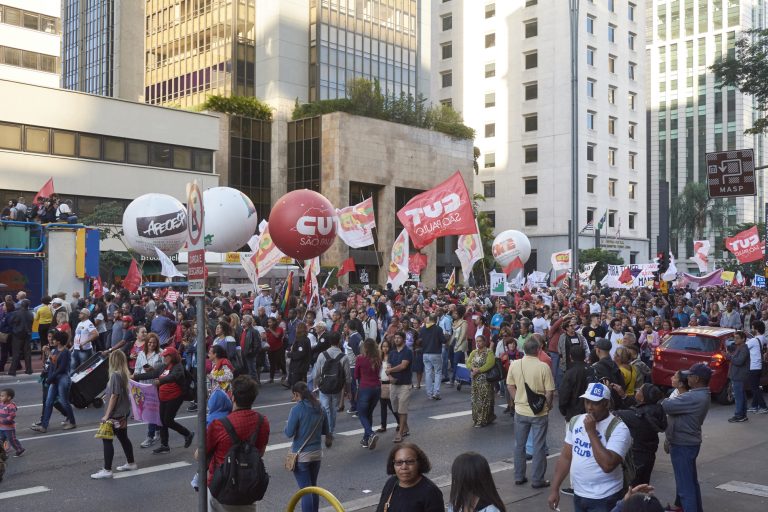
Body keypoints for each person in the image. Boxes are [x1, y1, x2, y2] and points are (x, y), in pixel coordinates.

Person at [548, 382, 633, 512]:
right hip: (579, 494)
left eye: (595, 403)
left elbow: (608, 465)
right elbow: (566, 457)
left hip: (606, 497)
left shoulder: (619, 429)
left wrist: (591, 432)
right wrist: (555, 489)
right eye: (587, 402)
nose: (590, 407)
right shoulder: (576, 421)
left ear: (607, 403)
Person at [205, 376, 270, 511]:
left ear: (233, 397)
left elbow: (202, 454)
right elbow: (260, 452)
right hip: (249, 487)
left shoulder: (218, 425)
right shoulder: (262, 422)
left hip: (221, 488)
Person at [661, 363, 712, 512]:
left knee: (685, 487)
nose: (687, 377)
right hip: (687, 443)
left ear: (696, 379)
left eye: (690, 375)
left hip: (683, 444)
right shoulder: (699, 394)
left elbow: (666, 406)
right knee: (690, 482)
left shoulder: (693, 396)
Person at [506, 337, 555, 489]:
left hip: (520, 410)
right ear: (538, 350)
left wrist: (517, 400)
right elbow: (549, 391)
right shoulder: (543, 367)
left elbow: (510, 386)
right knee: (539, 446)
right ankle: (537, 479)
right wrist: (547, 404)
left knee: (519, 445)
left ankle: (519, 476)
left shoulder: (515, 365)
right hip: (539, 413)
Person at [133, 346, 194, 454]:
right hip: (163, 397)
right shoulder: (164, 366)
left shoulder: (178, 366)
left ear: (172, 356)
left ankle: (187, 434)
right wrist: (135, 377)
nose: (164, 358)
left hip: (175, 397)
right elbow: (152, 374)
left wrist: (161, 381)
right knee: (161, 421)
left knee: (168, 420)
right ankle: (164, 445)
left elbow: (173, 377)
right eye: (164, 356)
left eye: (166, 356)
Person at [284, 381, 331, 512]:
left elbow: (288, 433)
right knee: (313, 487)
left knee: (305, 491)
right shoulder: (320, 407)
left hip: (302, 455)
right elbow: (325, 429)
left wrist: (287, 423)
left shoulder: (297, 409)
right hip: (317, 453)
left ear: (297, 394)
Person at [91, 351, 137, 479]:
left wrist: (107, 415)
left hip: (115, 413)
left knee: (107, 439)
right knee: (123, 437)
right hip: (123, 412)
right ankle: (131, 462)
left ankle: (107, 470)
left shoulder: (115, 375)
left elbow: (114, 396)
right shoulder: (124, 374)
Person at [611, 383, 667, 486]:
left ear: (643, 397)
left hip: (636, 458)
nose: (637, 391)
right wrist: (623, 395)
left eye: (640, 390)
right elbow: (640, 408)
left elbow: (614, 414)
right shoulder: (656, 410)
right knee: (643, 487)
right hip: (649, 455)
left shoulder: (636, 417)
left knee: (632, 490)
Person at [375, 443, 445, 512]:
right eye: (399, 462)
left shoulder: (431, 492)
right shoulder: (391, 483)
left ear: (419, 463)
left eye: (410, 462)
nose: (404, 467)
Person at [32, 330, 77, 432]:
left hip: (63, 379)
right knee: (49, 402)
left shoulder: (65, 352)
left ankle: (72, 422)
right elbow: (52, 364)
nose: (52, 340)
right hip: (55, 379)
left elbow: (61, 369)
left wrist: (50, 378)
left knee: (64, 401)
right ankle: (44, 426)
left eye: (54, 339)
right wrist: (50, 377)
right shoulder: (55, 351)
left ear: (59, 341)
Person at [313, 331, 350, 438]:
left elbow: (316, 373)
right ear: (339, 341)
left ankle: (328, 430)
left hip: (324, 386)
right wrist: (349, 391)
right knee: (333, 409)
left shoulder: (322, 355)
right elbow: (348, 377)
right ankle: (330, 430)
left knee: (325, 409)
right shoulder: (344, 357)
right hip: (337, 387)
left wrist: (315, 386)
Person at [133, 333, 163, 448]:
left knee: (151, 411)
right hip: (143, 385)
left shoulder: (161, 353)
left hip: (154, 386)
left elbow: (164, 368)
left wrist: (154, 369)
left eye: (154, 343)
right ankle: (158, 430)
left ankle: (150, 436)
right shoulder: (141, 354)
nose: (151, 344)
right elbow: (137, 369)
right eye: (149, 342)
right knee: (149, 411)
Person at [386, 331, 414, 443]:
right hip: (393, 384)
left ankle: (400, 432)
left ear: (403, 339)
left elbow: (403, 366)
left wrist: (390, 371)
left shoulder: (407, 351)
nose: (396, 340)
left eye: (398, 338)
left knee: (402, 409)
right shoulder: (392, 353)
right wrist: (390, 377)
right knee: (395, 408)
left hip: (404, 384)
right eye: (395, 338)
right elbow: (388, 367)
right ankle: (405, 427)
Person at [355, 338, 382, 449]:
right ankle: (366, 439)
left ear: (365, 347)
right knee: (369, 413)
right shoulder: (378, 359)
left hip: (365, 388)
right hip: (376, 388)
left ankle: (370, 433)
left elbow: (356, 375)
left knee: (362, 414)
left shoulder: (360, 359)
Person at [468, 335, 497, 428]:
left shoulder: (489, 352)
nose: (478, 343)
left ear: (484, 342)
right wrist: (472, 368)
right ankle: (476, 419)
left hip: (485, 380)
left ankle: (483, 420)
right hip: (475, 380)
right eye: (477, 341)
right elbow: (468, 362)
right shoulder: (474, 352)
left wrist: (478, 370)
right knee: (475, 400)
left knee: (485, 400)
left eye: (480, 341)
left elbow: (490, 364)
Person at [558, 344, 589, 421]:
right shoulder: (592, 369)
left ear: (570, 357)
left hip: (573, 414)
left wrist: (564, 410)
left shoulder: (569, 373)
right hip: (590, 413)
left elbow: (564, 394)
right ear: (584, 356)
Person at [726, 330, 750, 423]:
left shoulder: (744, 348)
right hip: (737, 375)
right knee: (741, 396)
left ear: (743, 339)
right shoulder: (739, 347)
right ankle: (742, 415)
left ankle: (739, 415)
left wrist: (729, 357)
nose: (735, 340)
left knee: (739, 397)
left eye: (737, 338)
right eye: (734, 338)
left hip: (739, 376)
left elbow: (739, 361)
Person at [420, 314, 446, 400]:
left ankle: (429, 393)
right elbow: (443, 340)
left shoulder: (423, 329)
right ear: (436, 320)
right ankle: (436, 392)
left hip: (425, 353)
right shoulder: (438, 329)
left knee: (428, 373)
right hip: (435, 353)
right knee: (438, 372)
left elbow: (420, 340)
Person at [377, 339, 400, 433]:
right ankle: (383, 425)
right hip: (381, 384)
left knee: (392, 405)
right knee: (383, 406)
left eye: (387, 346)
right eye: (383, 346)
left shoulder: (392, 357)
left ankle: (400, 422)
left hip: (390, 384)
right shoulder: (380, 358)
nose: (385, 348)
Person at [8, 299, 33, 376]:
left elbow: (10, 322)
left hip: (17, 335)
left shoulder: (16, 313)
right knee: (27, 353)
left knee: (16, 353)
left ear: (21, 305)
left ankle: (12, 371)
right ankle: (29, 370)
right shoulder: (30, 313)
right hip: (27, 334)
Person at [747, 321, 768, 413]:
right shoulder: (764, 339)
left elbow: (744, 348)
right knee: (756, 386)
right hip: (761, 366)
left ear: (756, 329)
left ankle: (763, 407)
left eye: (752, 327)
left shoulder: (753, 341)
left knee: (754, 388)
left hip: (754, 366)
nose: (752, 329)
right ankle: (754, 406)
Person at [287, 322, 313, 388]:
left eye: (297, 327)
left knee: (298, 385)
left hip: (299, 366)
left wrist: (289, 354)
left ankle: (300, 397)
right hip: (301, 366)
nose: (296, 329)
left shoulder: (302, 340)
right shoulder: (304, 339)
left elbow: (300, 354)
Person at [0, 388, 24, 458]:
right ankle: (3, 451)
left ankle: (19, 449)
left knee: (12, 439)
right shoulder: (1, 403)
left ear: (9, 397)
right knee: (1, 439)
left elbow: (12, 415)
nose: (0, 397)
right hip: (1, 427)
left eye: (2, 396)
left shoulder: (11, 406)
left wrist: (4, 420)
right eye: (0, 396)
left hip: (8, 428)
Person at [265, 317, 286, 383]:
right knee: (272, 363)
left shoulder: (279, 329)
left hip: (279, 348)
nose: (269, 324)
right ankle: (271, 378)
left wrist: (270, 330)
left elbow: (277, 336)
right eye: (268, 322)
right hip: (270, 349)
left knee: (280, 362)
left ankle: (284, 373)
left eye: (270, 322)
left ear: (274, 322)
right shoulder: (267, 330)